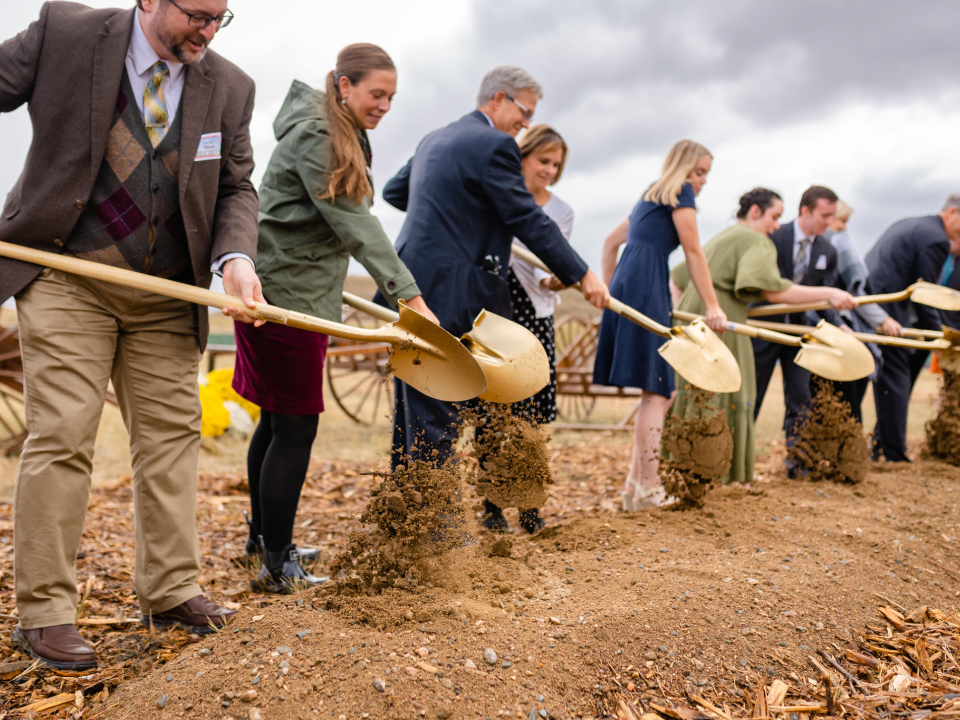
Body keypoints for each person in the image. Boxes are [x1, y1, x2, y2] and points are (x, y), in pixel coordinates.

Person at [0, 0, 264, 670]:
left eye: (220, 17)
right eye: (197, 14)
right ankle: (46, 612)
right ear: (150, 0)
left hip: (165, 291)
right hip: (68, 275)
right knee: (63, 432)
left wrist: (236, 258)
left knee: (172, 434)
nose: (208, 30)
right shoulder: (65, 34)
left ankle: (170, 588)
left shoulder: (230, 87)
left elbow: (236, 188)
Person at [231, 45, 439, 592]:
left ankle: (264, 541)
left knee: (276, 419)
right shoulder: (319, 135)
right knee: (296, 424)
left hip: (292, 289)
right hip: (285, 297)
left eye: (392, 97)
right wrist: (409, 296)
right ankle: (276, 566)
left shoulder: (332, 127)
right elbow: (356, 224)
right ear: (343, 86)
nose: (385, 105)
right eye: (377, 94)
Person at [380, 66, 609, 534]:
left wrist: (457, 211)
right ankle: (437, 537)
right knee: (442, 403)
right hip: (456, 286)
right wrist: (582, 273)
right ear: (499, 99)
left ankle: (404, 521)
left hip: (410, 280)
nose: (525, 124)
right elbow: (528, 218)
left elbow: (395, 191)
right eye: (525, 112)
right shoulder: (494, 145)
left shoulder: (434, 139)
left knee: (414, 403)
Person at [670, 189, 857, 484]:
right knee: (734, 393)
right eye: (774, 217)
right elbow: (774, 291)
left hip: (698, 315)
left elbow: (678, 278)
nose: (775, 226)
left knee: (698, 390)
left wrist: (694, 308)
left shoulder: (726, 235)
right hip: (723, 320)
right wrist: (829, 294)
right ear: (755, 212)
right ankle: (722, 473)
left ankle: (684, 470)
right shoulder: (757, 240)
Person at [592, 140, 727, 511]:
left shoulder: (649, 196)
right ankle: (650, 490)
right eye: (699, 172)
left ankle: (635, 486)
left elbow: (609, 244)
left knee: (660, 392)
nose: (701, 182)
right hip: (646, 288)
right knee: (657, 391)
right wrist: (712, 306)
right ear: (682, 168)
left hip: (632, 287)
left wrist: (612, 293)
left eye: (706, 175)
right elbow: (694, 251)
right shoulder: (678, 193)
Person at [750, 186, 842, 475]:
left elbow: (825, 302)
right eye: (824, 215)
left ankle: (799, 463)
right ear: (806, 211)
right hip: (763, 328)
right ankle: (733, 460)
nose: (829, 222)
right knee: (751, 393)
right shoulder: (774, 236)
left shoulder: (828, 250)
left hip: (799, 333)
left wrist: (838, 329)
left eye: (832, 216)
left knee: (801, 397)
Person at [864, 193, 960, 462]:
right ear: (953, 213)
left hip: (873, 299)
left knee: (894, 379)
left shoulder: (915, 224)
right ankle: (894, 455)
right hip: (888, 311)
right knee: (896, 379)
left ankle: (881, 446)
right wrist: (940, 341)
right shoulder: (937, 239)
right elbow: (927, 295)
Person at [823, 201, 903, 422]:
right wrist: (883, 319)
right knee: (850, 393)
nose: (844, 228)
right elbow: (857, 292)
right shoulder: (840, 243)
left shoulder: (823, 243)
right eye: (841, 221)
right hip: (846, 326)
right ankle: (849, 446)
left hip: (826, 327)